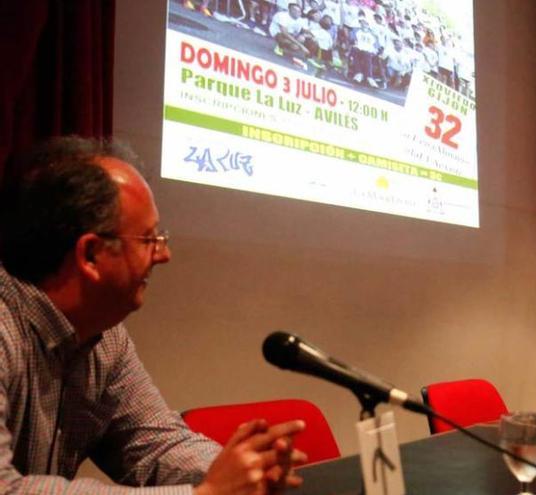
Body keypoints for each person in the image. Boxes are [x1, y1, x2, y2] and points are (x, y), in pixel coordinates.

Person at [0, 136, 307, 494]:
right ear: (91, 255)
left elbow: (156, 444)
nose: (164, 255)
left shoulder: (104, 337)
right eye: (149, 240)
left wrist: (245, 472)